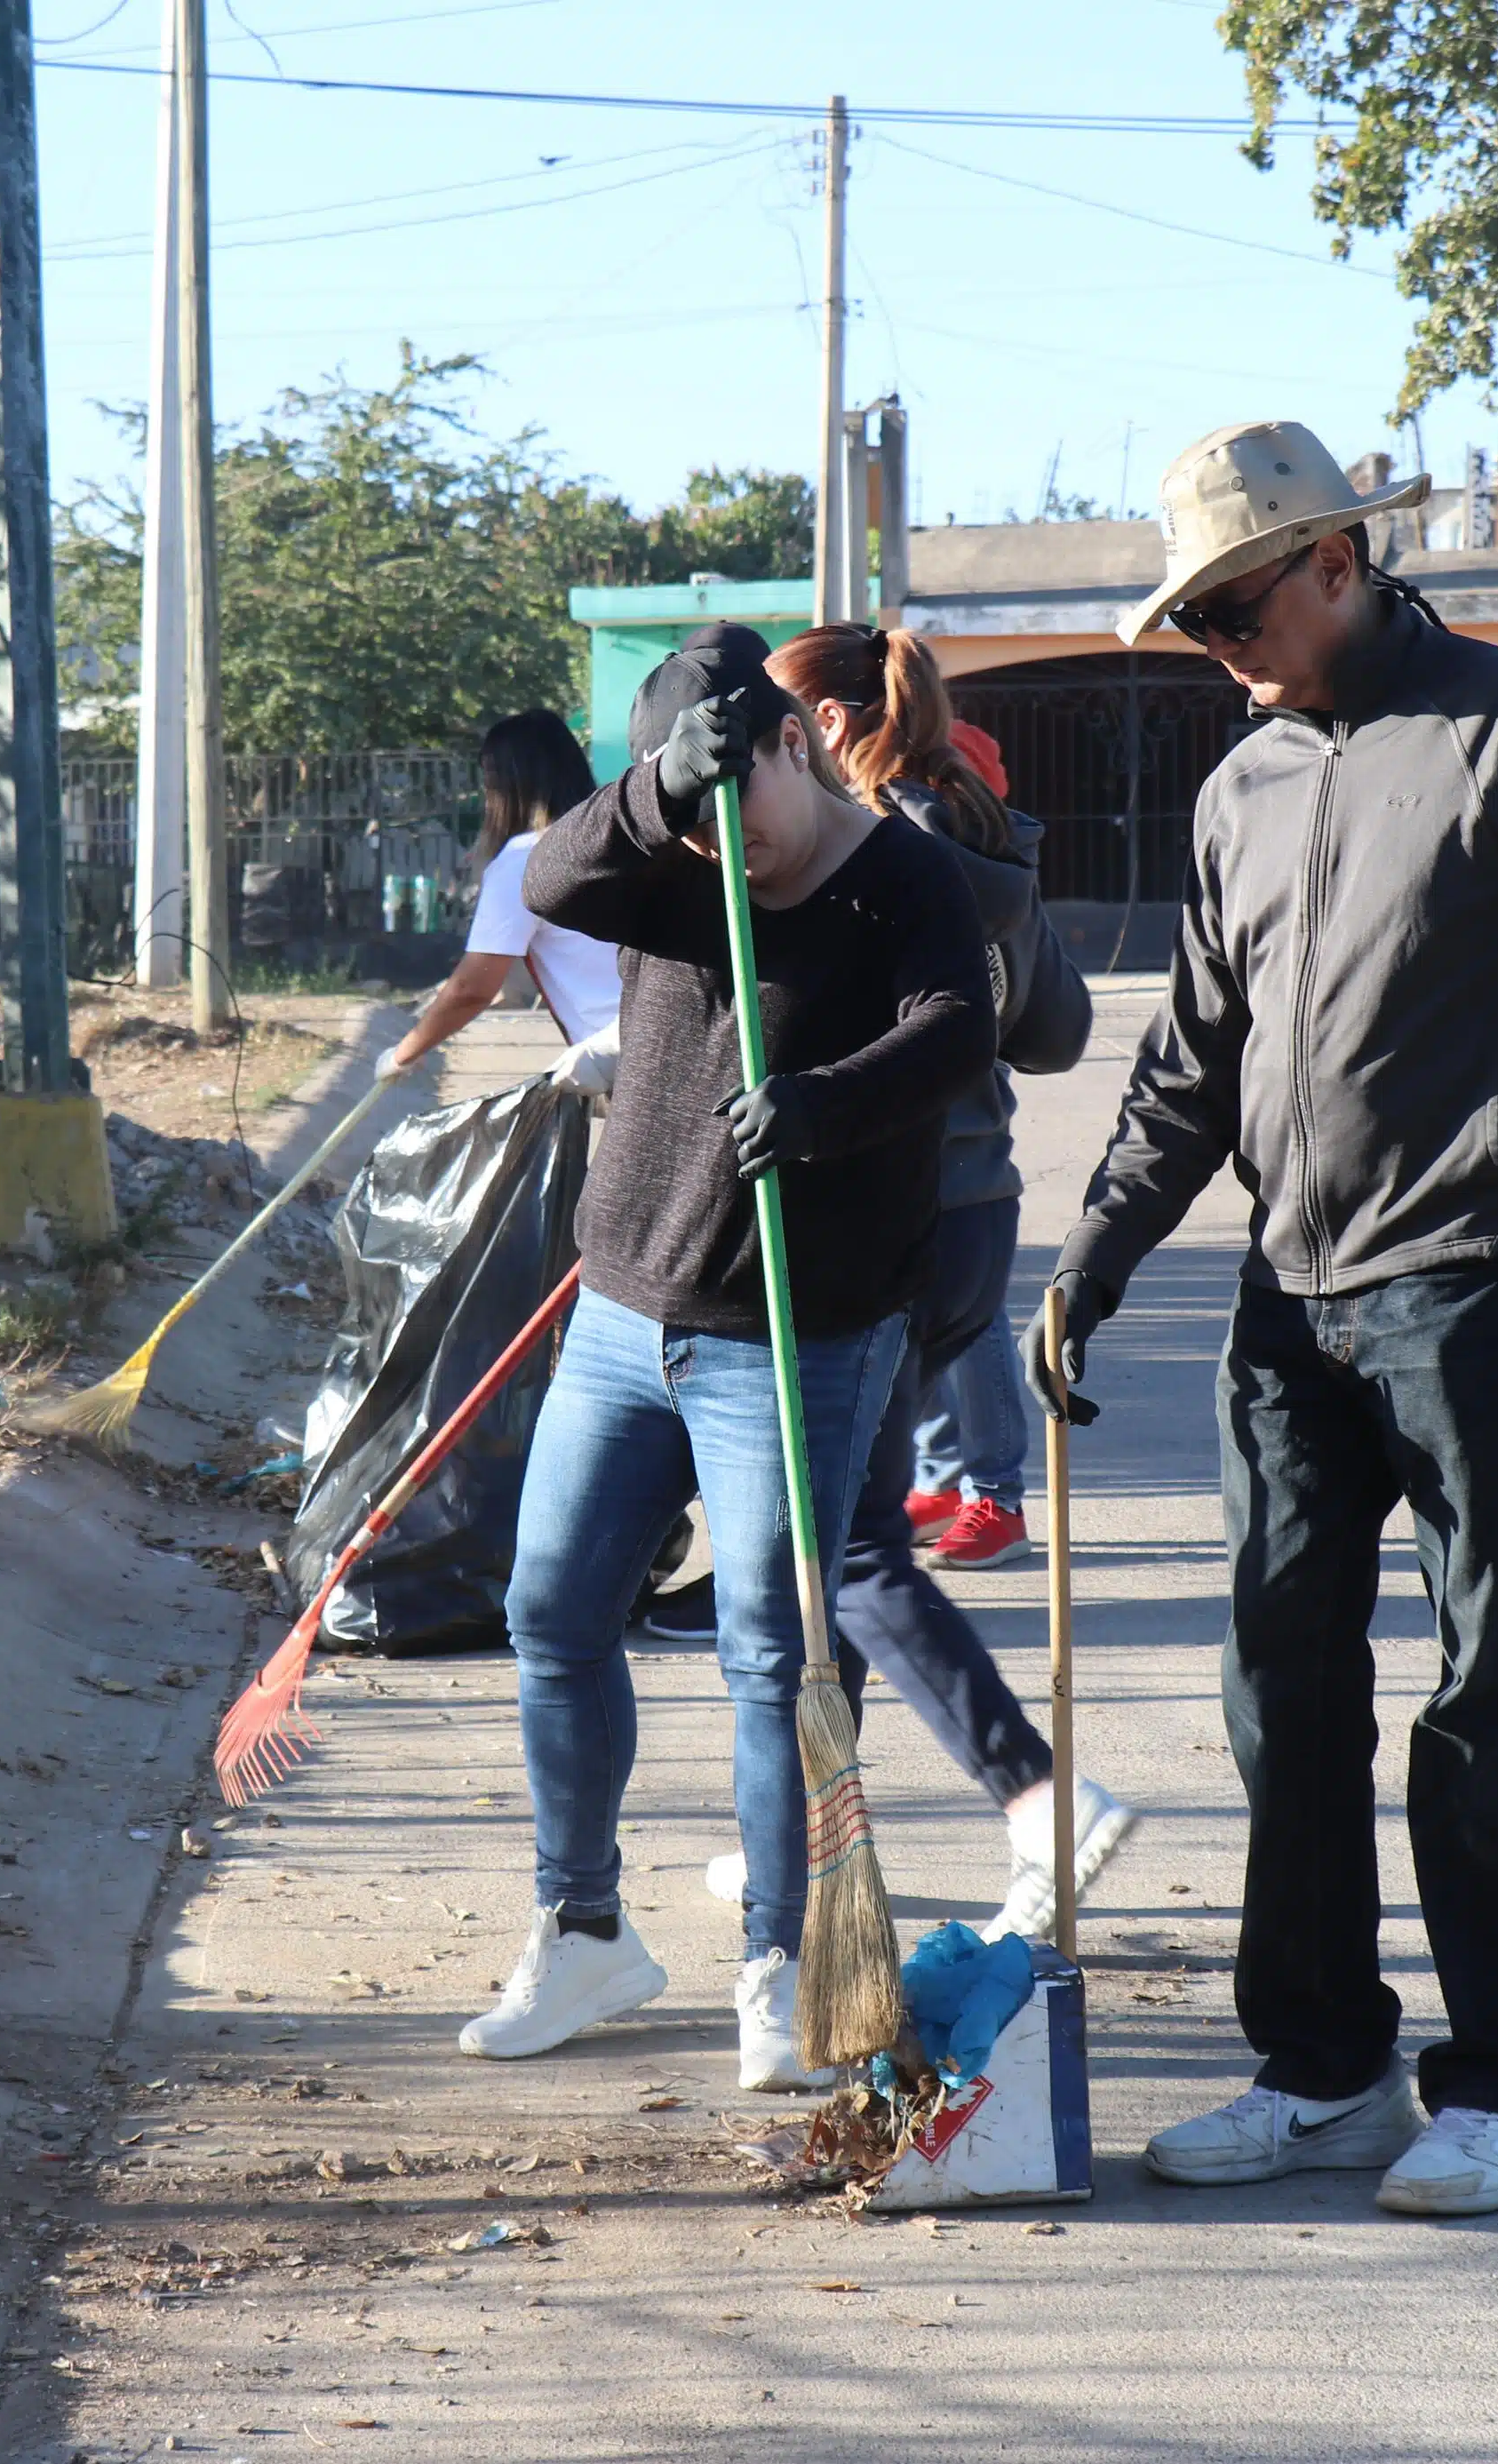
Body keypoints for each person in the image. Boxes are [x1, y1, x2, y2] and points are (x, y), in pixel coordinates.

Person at [1037, 421, 1498, 2217]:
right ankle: (1323, 2064)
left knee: (1489, 1698)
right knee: (1281, 1691)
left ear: (1334, 563)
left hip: (1484, 1290)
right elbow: (1189, 1061)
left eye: (1233, 604)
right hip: (1291, 1304)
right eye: (1188, 623)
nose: (1215, 645)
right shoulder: (1237, 790)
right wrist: (1097, 1252)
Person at [459, 624, 993, 2092]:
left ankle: (778, 1960)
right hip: (627, 1306)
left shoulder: (901, 876)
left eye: (733, 801)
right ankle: (584, 1932)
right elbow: (550, 878)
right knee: (552, 1610)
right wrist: (652, 800)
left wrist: (828, 1103)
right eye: (690, 818)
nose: (724, 849)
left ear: (792, 747)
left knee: (772, 1655)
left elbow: (961, 1027)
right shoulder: (670, 860)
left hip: (802, 1331)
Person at [714, 622, 1133, 1941]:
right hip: (978, 1213)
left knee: (840, 1552)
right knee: (821, 1551)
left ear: (826, 730)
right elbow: (1057, 1032)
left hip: (881, 1217)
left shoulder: (867, 852)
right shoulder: (978, 824)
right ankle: (804, 1848)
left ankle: (1039, 1795)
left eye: (771, 732)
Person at [902, 721, 1046, 1570]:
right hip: (923, 1133)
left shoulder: (965, 871)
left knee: (971, 1311)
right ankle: (948, 1476)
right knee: (925, 1310)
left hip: (964, 1138)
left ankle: (996, 1494)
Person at [377, 711, 621, 1088]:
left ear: (503, 785)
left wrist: (401, 1055)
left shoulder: (525, 859)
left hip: (628, 1052)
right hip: (670, 1029)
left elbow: (472, 989)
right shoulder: (618, 837)